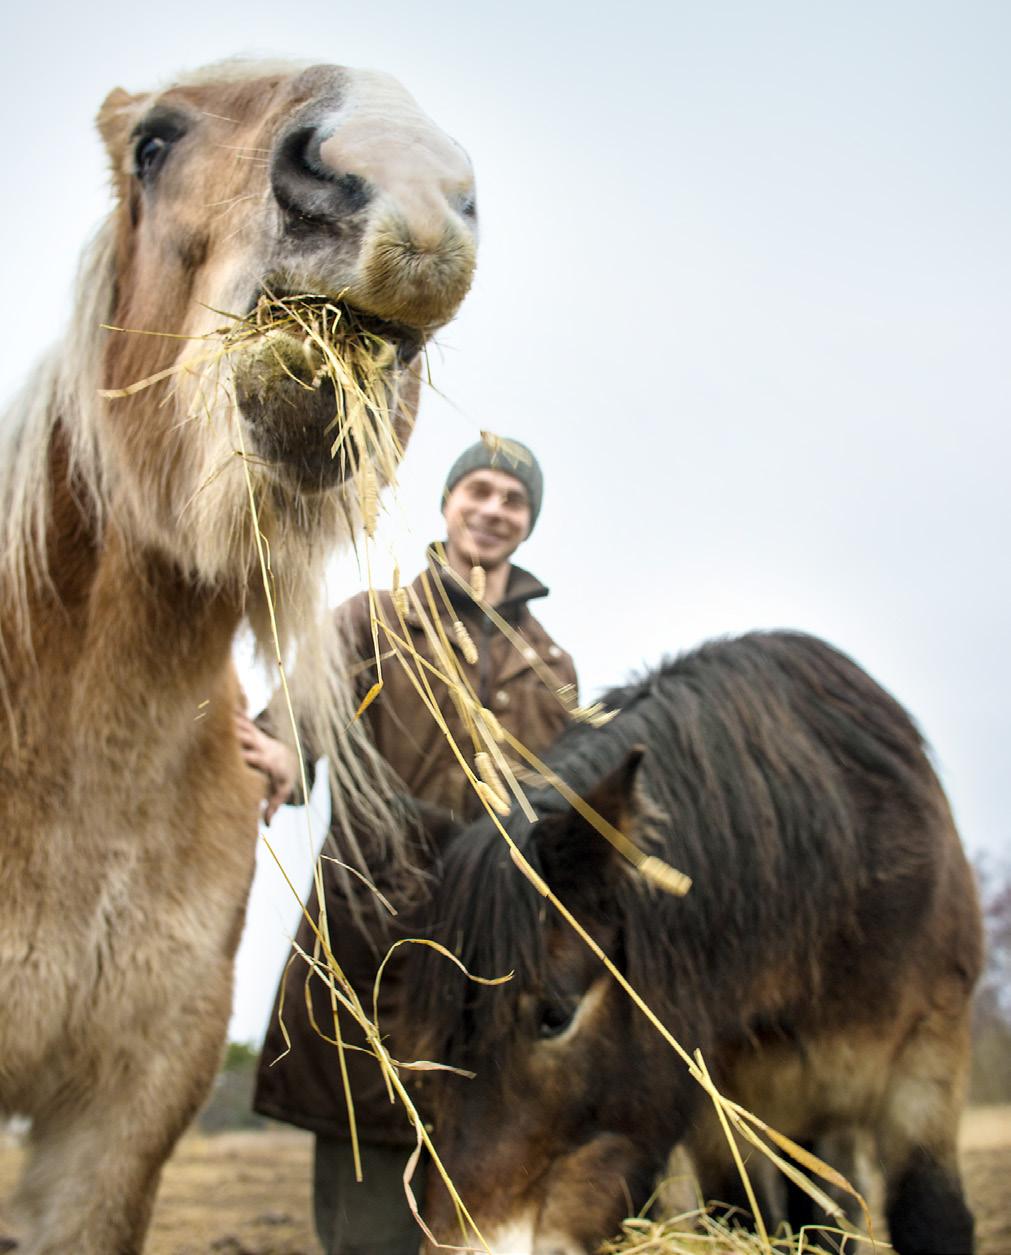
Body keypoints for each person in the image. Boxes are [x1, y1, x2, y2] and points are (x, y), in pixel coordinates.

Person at [241, 437, 577, 1254]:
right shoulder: (372, 619)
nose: (494, 510)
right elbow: (295, 726)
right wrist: (279, 754)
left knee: (484, 1186)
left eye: (513, 500)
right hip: (373, 940)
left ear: (528, 523)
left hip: (494, 964)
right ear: (449, 502)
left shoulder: (552, 667)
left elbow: (568, 819)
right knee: (370, 1193)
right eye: (481, 490)